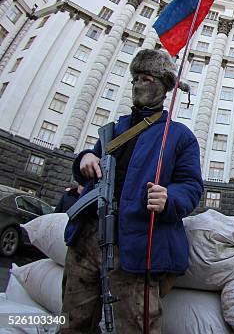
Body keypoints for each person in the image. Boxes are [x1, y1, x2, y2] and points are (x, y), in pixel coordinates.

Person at [61, 49, 204, 333]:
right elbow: (93, 165)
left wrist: (169, 198)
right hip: (87, 240)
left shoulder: (179, 136)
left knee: (134, 326)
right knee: (71, 323)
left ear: (163, 87)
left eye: (147, 78)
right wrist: (85, 159)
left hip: (136, 246)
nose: (139, 84)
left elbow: (191, 186)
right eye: (135, 78)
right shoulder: (113, 130)